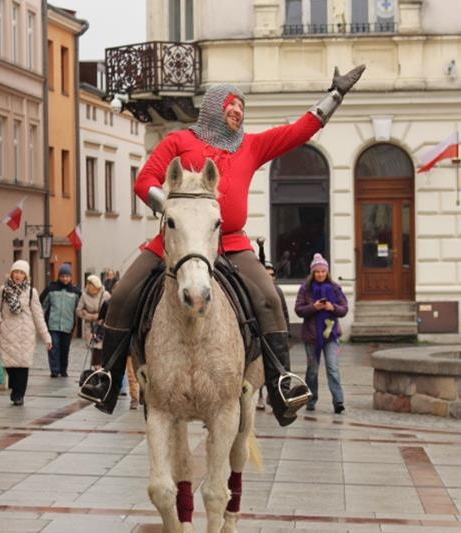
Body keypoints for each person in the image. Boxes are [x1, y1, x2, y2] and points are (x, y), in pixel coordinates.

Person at [81, 64, 365, 425]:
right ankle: (107, 378)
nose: (237, 111)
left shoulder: (251, 146)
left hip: (231, 242)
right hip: (176, 242)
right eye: (231, 105)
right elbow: (145, 181)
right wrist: (171, 210)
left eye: (241, 107)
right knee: (123, 294)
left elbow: (297, 132)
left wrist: (335, 95)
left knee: (269, 296)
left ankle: (281, 382)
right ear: (214, 109)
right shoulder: (179, 142)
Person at [294, 253, 349, 413]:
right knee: (312, 370)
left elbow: (344, 308)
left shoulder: (335, 288)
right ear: (313, 273)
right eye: (317, 271)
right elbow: (298, 310)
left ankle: (338, 401)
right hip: (311, 336)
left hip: (330, 335)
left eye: (323, 271)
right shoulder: (305, 288)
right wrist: (314, 307)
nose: (320, 274)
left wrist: (333, 307)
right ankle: (311, 400)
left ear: (327, 272)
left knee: (333, 368)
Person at [0, 260, 52, 406]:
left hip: (26, 334)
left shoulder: (31, 292)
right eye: (16, 272)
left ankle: (19, 395)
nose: (18, 275)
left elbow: (38, 316)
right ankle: (15, 387)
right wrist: (0, 322)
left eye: (21, 273)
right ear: (11, 273)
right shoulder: (3, 290)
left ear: (26, 276)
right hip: (8, 333)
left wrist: (46, 337)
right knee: (9, 364)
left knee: (23, 366)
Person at [257, 260, 290, 411]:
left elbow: (284, 313)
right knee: (258, 367)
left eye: (271, 275)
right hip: (259, 334)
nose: (269, 277)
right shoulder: (254, 289)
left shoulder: (278, 291)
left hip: (275, 334)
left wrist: (286, 333)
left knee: (277, 366)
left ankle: (276, 396)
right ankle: (259, 396)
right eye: (266, 274)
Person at [40, 263, 81, 377]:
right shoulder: (51, 289)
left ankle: (63, 369)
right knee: (53, 347)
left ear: (71, 277)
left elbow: (80, 307)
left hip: (68, 324)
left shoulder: (75, 291)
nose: (65, 278)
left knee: (65, 348)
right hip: (52, 324)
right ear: (59, 276)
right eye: (62, 276)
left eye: (67, 276)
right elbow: (42, 302)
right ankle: (54, 370)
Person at [76, 274, 111, 368]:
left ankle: (100, 369)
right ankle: (97, 370)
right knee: (93, 349)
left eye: (93, 286)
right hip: (90, 327)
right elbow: (78, 311)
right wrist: (91, 316)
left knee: (100, 349)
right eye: (89, 285)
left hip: (102, 326)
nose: (91, 288)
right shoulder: (84, 295)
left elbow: (110, 310)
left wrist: (99, 316)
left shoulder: (105, 295)